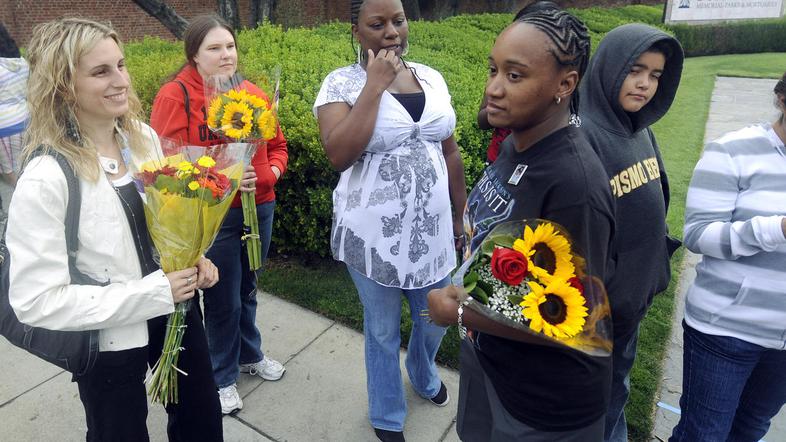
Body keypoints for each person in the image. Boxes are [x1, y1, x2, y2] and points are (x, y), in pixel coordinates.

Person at [7, 18, 223, 441]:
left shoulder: (142, 138)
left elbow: (164, 220)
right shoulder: (47, 177)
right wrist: (152, 294)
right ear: (63, 86)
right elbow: (35, 301)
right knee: (119, 432)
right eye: (101, 71)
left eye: (120, 65)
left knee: (201, 419)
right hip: (110, 339)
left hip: (176, 312)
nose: (121, 80)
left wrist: (193, 256)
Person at [428, 9, 614, 441]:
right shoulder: (517, 142)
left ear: (565, 84)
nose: (493, 88)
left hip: (542, 403)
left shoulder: (574, 185)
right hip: (491, 362)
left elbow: (580, 322)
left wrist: (459, 311)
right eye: (493, 70)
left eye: (514, 76)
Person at [313, 0, 467, 440]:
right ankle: (386, 412)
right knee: (381, 331)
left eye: (398, 21)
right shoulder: (340, 83)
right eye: (377, 24)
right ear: (357, 31)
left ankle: (421, 370)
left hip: (433, 234)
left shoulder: (431, 78)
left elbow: (449, 151)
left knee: (435, 319)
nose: (391, 32)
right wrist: (374, 86)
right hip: (372, 237)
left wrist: (459, 216)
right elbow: (339, 154)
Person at [150, 13, 289, 416]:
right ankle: (221, 377)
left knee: (248, 288)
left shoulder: (251, 93)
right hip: (213, 216)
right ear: (194, 54)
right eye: (214, 48)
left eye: (230, 46)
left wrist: (269, 174)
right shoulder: (176, 96)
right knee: (222, 297)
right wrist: (224, 177)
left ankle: (249, 354)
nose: (226, 54)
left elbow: (278, 147)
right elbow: (165, 164)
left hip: (259, 207)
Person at [577, 24, 684, 442]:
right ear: (609, 66)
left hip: (629, 308)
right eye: (635, 70)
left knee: (615, 396)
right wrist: (617, 291)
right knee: (591, 409)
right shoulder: (583, 135)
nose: (645, 84)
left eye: (655, 75)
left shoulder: (638, 127)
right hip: (597, 318)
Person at [669, 73, 786, 442]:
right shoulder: (733, 151)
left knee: (750, 430)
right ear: (782, 97)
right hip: (726, 330)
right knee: (703, 435)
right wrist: (777, 229)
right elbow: (698, 235)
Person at [476, 1, 560, 164]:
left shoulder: (556, 85)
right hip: (496, 160)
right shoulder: (501, 74)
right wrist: (499, 109)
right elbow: (482, 121)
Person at [0, 27, 27, 188]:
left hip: (3, 126)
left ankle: (24, 198)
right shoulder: (22, 62)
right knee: (26, 166)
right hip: (26, 120)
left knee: (9, 173)